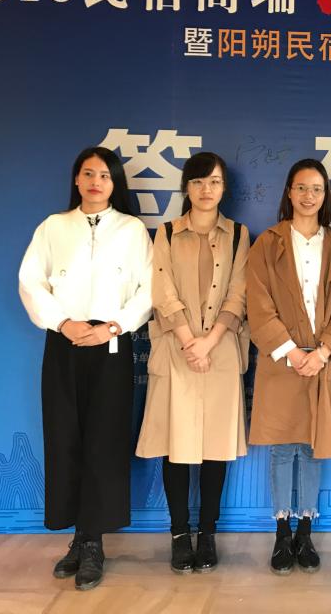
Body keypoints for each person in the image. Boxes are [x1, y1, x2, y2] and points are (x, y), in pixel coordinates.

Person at [18, 146, 152, 591]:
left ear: (116, 184)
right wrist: (63, 322)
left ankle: (94, 541)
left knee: (104, 441)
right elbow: (30, 281)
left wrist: (114, 325)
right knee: (64, 437)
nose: (96, 182)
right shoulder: (54, 227)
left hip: (111, 342)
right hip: (64, 341)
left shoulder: (132, 230)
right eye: (89, 174)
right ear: (76, 179)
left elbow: (149, 288)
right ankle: (76, 536)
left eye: (105, 175)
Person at [135, 152, 250, 574]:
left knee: (216, 447)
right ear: (186, 187)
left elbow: (239, 293)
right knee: (177, 447)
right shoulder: (166, 233)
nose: (206, 190)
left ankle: (208, 532)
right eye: (199, 182)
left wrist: (210, 341)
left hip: (220, 350)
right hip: (177, 350)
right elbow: (161, 290)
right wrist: (189, 341)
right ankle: (179, 533)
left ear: (224, 188)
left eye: (214, 182)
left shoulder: (239, 235)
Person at [247, 158, 331, 575]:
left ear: (326, 195)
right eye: (301, 187)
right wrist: (292, 351)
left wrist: (323, 352)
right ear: (289, 193)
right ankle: (281, 533)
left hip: (322, 361)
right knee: (281, 447)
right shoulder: (268, 242)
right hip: (282, 360)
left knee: (312, 447)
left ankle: (305, 532)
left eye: (317, 189)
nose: (309, 196)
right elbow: (258, 304)